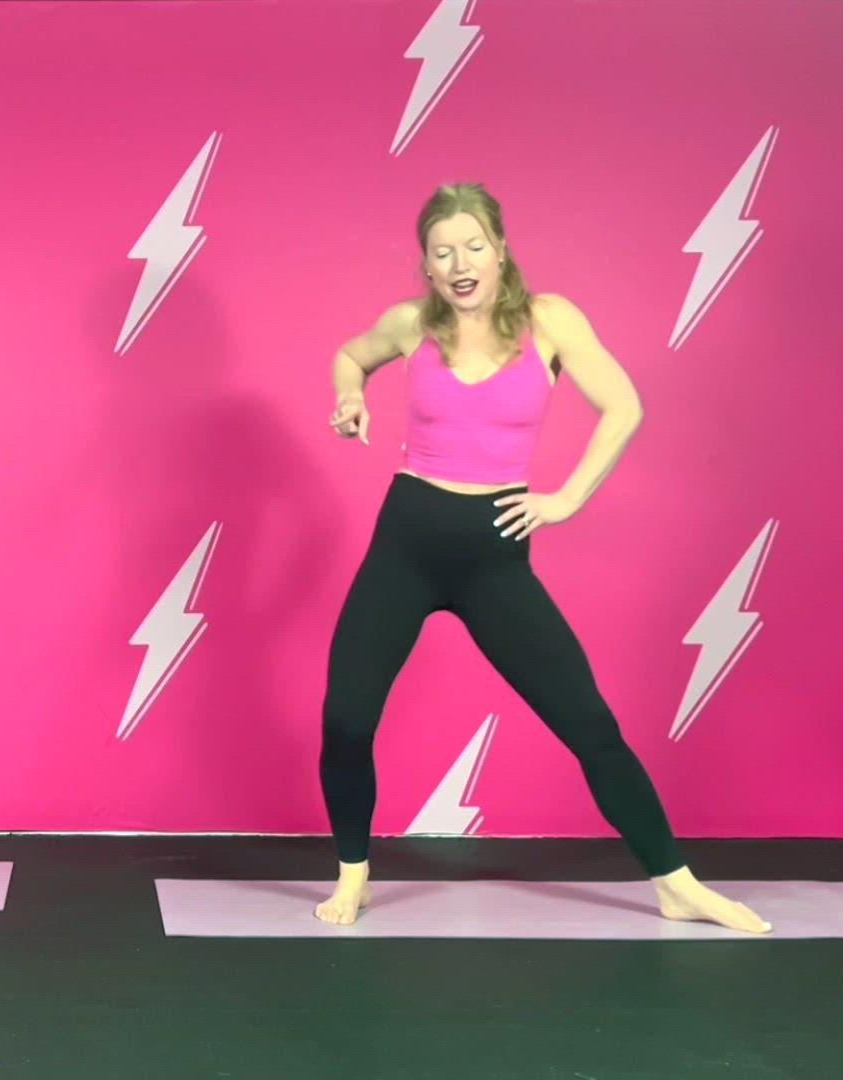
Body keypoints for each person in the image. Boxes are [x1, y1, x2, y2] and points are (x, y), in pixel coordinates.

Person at [316, 182, 768, 933]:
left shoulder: (549, 320)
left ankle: (676, 883)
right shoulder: (410, 324)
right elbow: (348, 356)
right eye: (442, 252)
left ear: (500, 248)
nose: (459, 263)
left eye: (473, 246)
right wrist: (350, 397)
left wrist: (567, 499)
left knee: (589, 724)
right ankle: (354, 874)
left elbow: (624, 405)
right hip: (406, 544)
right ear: (426, 265)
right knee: (347, 718)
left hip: (495, 555)